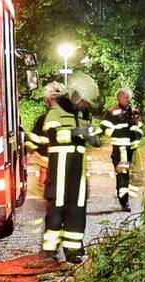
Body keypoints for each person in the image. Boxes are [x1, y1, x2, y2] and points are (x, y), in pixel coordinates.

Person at [26, 80, 99, 262]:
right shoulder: (53, 115)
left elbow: (95, 137)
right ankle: (49, 250)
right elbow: (55, 137)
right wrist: (78, 132)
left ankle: (73, 249)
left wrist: (91, 135)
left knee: (77, 209)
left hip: (77, 170)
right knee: (57, 207)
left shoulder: (82, 114)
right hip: (59, 168)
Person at [101, 88, 143, 211]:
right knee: (123, 172)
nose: (127, 99)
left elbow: (139, 128)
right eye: (125, 97)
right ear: (119, 97)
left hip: (131, 149)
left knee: (126, 173)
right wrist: (117, 132)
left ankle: (122, 193)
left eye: (129, 97)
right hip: (119, 148)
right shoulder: (112, 112)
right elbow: (104, 128)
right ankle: (124, 201)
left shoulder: (134, 112)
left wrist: (137, 137)